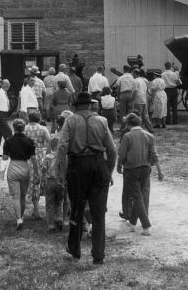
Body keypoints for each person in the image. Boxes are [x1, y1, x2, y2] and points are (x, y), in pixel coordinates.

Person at [54, 92, 117, 264]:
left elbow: (61, 148)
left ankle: (75, 249)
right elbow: (112, 152)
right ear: (90, 105)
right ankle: (98, 254)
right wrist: (108, 172)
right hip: (98, 165)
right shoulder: (102, 121)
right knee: (98, 213)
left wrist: (60, 172)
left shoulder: (71, 120)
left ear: (75, 106)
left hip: (77, 166)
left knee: (77, 209)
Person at [117, 113, 164, 236]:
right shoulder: (149, 135)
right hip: (146, 169)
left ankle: (146, 226)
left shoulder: (127, 136)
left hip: (131, 169)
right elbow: (154, 154)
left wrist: (118, 165)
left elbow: (121, 154)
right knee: (141, 196)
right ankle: (132, 223)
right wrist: (159, 171)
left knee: (137, 197)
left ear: (128, 124)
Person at [3, 118, 36, 230]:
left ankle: (19, 220)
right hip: (25, 167)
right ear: (23, 128)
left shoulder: (8, 140)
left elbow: (5, 157)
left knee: (15, 197)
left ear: (14, 128)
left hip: (13, 167)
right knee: (23, 195)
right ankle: (22, 216)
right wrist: (36, 172)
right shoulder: (30, 141)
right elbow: (33, 158)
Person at [24, 111, 50, 220]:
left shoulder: (25, 129)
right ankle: (38, 210)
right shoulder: (43, 129)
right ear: (39, 119)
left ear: (29, 119)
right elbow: (49, 142)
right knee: (39, 182)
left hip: (28, 157)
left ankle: (35, 209)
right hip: (40, 156)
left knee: (30, 182)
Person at [42, 137, 65, 232]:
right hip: (60, 182)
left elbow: (43, 169)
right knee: (59, 202)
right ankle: (59, 218)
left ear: (51, 146)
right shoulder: (63, 157)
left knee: (49, 204)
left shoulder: (47, 157)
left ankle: (51, 225)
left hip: (50, 181)